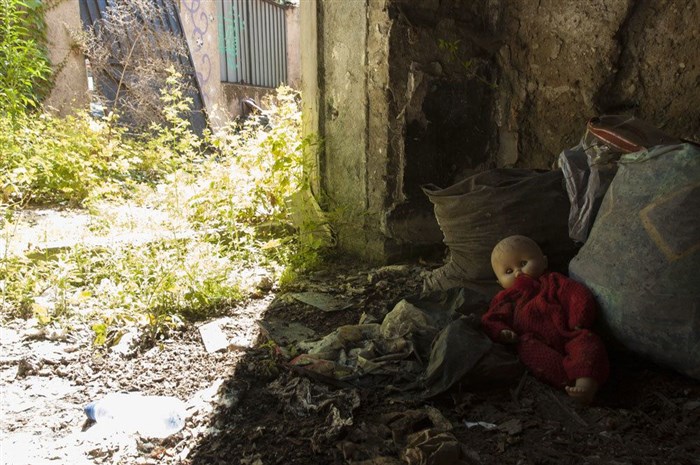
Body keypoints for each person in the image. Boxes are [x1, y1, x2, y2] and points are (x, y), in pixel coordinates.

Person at [481, 235, 609, 404]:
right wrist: (502, 331)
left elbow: (577, 295)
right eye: (509, 272)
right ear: (500, 283)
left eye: (523, 263)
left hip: (568, 333)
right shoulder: (507, 298)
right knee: (528, 350)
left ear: (544, 262)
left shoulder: (554, 281)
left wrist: (578, 319)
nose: (518, 272)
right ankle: (566, 382)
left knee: (588, 342)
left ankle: (586, 385)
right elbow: (492, 318)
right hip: (534, 340)